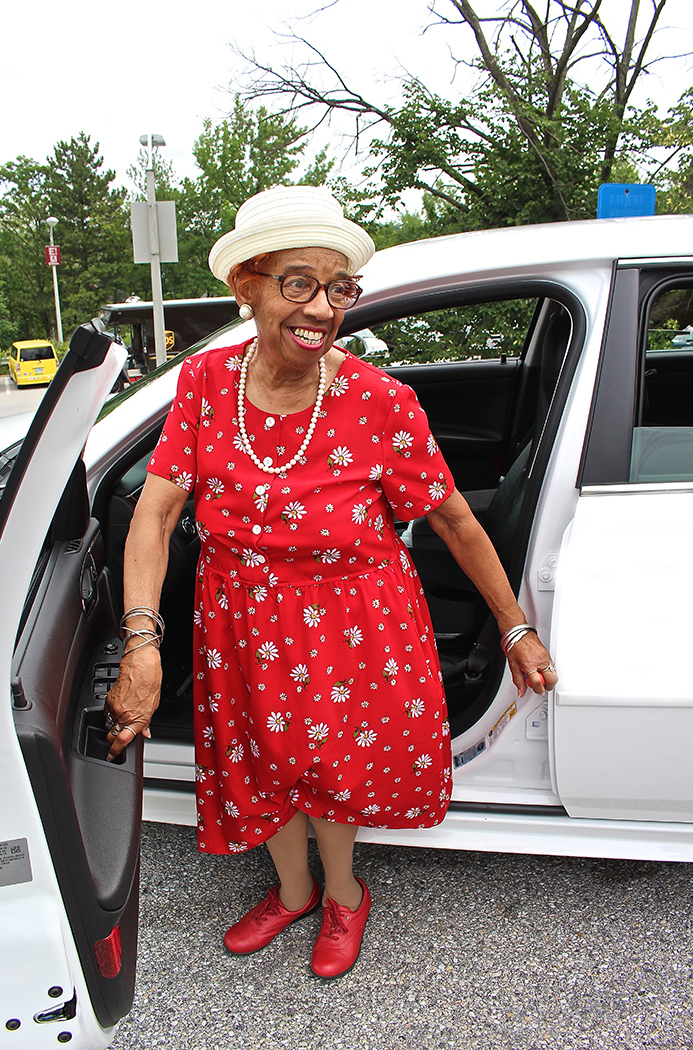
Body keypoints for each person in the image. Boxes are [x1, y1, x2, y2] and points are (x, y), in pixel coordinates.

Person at [104, 185, 557, 979]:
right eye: (299, 282)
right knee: (259, 759)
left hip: (346, 617)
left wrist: (515, 626)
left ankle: (343, 892)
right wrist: (143, 636)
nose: (322, 307)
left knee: (326, 767)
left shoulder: (380, 401)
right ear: (247, 285)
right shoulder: (205, 386)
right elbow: (154, 512)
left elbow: (453, 519)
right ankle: (293, 888)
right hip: (236, 617)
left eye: (339, 287)